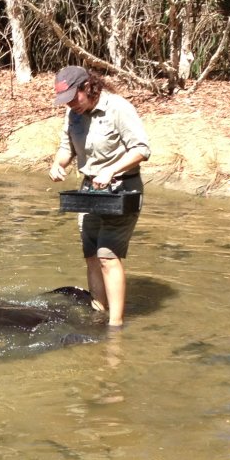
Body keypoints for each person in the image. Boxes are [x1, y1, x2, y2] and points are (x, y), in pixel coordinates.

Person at [47, 65, 149, 328]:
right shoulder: (73, 113)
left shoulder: (118, 108)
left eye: (73, 97)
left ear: (87, 87)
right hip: (90, 191)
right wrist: (58, 164)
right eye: (66, 100)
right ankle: (98, 313)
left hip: (122, 190)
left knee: (107, 255)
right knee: (91, 254)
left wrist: (111, 170)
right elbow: (66, 149)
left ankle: (115, 325)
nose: (70, 104)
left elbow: (141, 149)